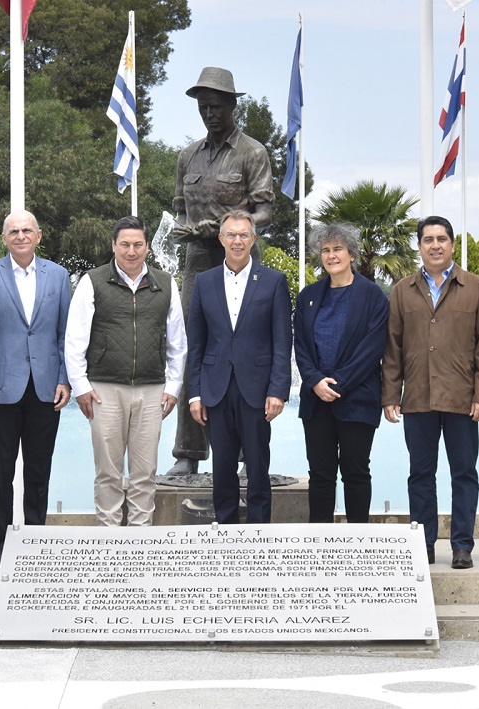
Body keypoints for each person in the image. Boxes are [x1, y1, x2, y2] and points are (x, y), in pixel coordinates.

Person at [167, 66, 275, 477]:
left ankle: (249, 453)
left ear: (232, 105)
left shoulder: (252, 152)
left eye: (216, 106)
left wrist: (233, 225)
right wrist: (189, 229)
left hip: (241, 257)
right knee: (192, 348)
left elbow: (264, 209)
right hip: (198, 261)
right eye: (203, 107)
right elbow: (179, 209)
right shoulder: (186, 156)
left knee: (246, 348)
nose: (209, 113)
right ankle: (187, 453)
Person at [381, 216, 479, 569]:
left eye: (442, 239)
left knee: (464, 474)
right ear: (419, 246)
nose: (435, 245)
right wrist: (389, 395)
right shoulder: (403, 290)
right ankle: (424, 544)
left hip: (463, 399)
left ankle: (462, 546)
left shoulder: (476, 287)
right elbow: (393, 348)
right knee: (420, 474)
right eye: (428, 239)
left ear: (451, 244)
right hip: (417, 397)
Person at [65, 216, 187, 526]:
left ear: (147, 246)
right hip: (104, 389)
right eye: (125, 244)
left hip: (151, 389)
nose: (131, 251)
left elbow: (177, 343)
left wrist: (173, 387)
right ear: (114, 246)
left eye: (137, 244)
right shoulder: (92, 281)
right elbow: (74, 339)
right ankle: (109, 537)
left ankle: (139, 539)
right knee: (108, 471)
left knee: (145, 472)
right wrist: (80, 387)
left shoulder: (166, 284)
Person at [0, 210, 71, 568]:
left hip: (46, 387)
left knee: (39, 468)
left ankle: (36, 536)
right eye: (14, 231)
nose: (21, 235)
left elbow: (64, 335)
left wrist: (65, 378)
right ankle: (1, 542)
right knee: (0, 469)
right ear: (4, 237)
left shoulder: (58, 277)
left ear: (39, 236)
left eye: (27, 230)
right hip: (1, 388)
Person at [187, 210, 291, 524]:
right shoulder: (203, 283)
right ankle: (227, 533)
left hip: (257, 392)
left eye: (243, 234)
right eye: (231, 234)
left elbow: (282, 342)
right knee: (223, 468)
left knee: (258, 467)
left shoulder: (273, 281)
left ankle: (259, 535)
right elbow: (197, 344)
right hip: (215, 390)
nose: (237, 240)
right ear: (220, 239)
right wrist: (194, 394)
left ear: (253, 239)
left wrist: (278, 390)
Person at [294, 223, 389, 523]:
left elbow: (372, 349)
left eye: (337, 249)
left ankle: (356, 540)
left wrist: (338, 384)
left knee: (356, 473)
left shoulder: (373, 296)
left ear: (351, 254)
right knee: (320, 475)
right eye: (326, 250)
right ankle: (319, 544)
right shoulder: (307, 296)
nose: (331, 255)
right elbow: (301, 346)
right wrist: (314, 381)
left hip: (357, 399)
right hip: (316, 400)